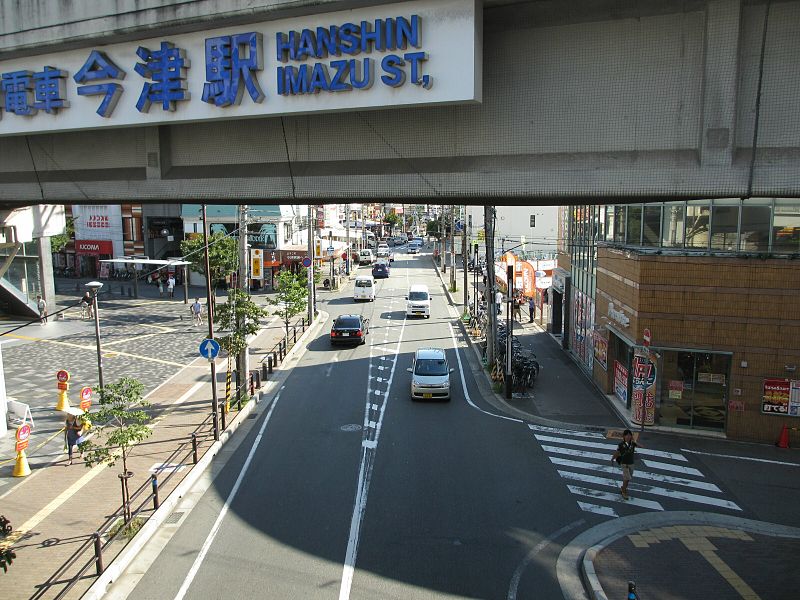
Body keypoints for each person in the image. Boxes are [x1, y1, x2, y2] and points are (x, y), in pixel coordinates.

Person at [611, 429, 639, 500]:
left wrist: (634, 441)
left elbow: (642, 446)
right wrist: (612, 458)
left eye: (630, 435)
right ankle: (624, 492)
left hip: (631, 463)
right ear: (624, 436)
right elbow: (617, 452)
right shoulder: (621, 445)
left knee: (629, 478)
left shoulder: (632, 443)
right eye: (627, 435)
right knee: (626, 478)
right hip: (624, 463)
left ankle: (623, 488)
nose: (628, 437)